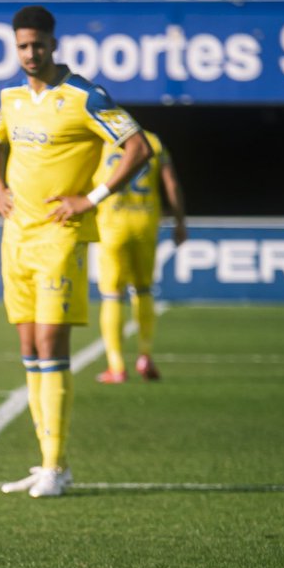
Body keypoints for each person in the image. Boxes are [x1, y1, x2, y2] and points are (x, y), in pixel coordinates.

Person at [0, 5, 151, 498]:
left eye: (38, 45)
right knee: (30, 348)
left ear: (54, 44)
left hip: (61, 238)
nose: (30, 54)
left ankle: (55, 464)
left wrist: (91, 198)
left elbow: (138, 147)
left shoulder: (85, 95)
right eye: (22, 46)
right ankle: (48, 462)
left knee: (53, 345)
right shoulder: (10, 98)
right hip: (17, 238)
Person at [94, 130, 188, 384]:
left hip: (112, 225)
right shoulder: (154, 141)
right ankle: (145, 354)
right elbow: (172, 183)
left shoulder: (101, 142)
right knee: (144, 290)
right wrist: (179, 222)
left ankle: (116, 366)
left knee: (112, 294)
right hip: (145, 224)